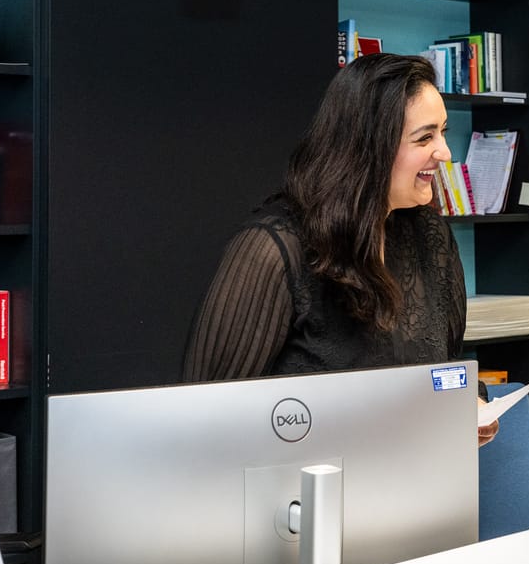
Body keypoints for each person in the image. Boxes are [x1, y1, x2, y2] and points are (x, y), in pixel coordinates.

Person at [183, 52, 497, 445]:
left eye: (443, 132)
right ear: (369, 148)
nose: (445, 153)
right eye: (424, 137)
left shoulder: (431, 237)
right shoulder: (275, 250)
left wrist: (470, 404)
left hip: (413, 487)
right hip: (303, 498)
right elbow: (200, 416)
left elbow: (445, 370)